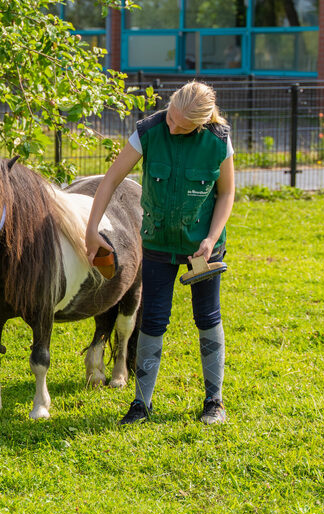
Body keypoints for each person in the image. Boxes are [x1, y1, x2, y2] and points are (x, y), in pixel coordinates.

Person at [85, 81, 236, 425]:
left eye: (180, 125)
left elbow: (226, 193)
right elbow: (109, 181)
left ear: (199, 124)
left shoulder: (217, 140)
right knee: (152, 319)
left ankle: (214, 401)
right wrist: (91, 229)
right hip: (156, 242)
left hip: (202, 245)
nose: (171, 126)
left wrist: (211, 238)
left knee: (207, 316)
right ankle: (141, 404)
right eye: (170, 117)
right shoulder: (148, 131)